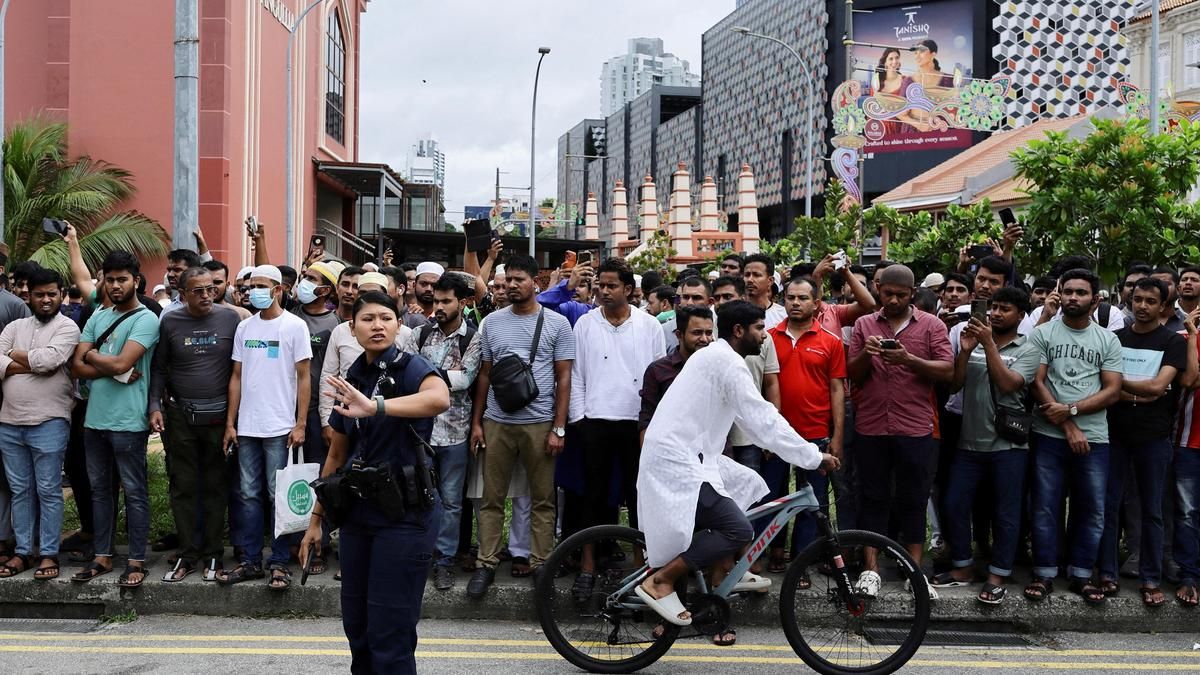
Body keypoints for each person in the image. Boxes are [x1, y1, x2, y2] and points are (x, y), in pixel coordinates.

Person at [635, 301, 838, 626]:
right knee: (738, 528)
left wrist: (799, 451)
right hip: (678, 463)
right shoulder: (726, 362)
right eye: (759, 328)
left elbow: (756, 420)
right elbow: (763, 419)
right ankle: (661, 580)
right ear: (739, 331)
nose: (765, 335)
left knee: (749, 488)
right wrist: (813, 456)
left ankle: (725, 572)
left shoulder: (718, 357)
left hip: (695, 458)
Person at [300, 291, 450, 674]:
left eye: (386, 318)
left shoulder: (410, 367)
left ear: (399, 325)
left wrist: (376, 407)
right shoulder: (353, 377)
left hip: (405, 517)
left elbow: (439, 399)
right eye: (368, 319)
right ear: (352, 328)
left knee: (390, 634)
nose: (377, 325)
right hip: (358, 515)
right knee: (359, 629)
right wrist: (316, 521)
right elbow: (336, 454)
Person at [467, 255, 574, 597]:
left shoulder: (557, 324)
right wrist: (478, 423)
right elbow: (485, 375)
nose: (512, 285)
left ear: (535, 283)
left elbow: (564, 378)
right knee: (491, 498)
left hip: (540, 423)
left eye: (519, 280)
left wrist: (559, 428)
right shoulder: (492, 323)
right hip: (497, 422)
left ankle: (541, 564)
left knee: (543, 499)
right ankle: (486, 564)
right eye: (508, 279)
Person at [847, 263, 952, 599]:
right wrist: (867, 354)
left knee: (914, 499)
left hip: (915, 427)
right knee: (872, 497)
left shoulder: (932, 325)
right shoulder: (864, 324)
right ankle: (871, 570)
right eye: (887, 293)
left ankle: (914, 571)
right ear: (878, 290)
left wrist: (909, 360)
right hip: (872, 425)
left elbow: (947, 371)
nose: (893, 300)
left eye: (900, 295)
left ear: (913, 294)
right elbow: (852, 374)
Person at [933, 287, 1038, 604]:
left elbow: (1008, 384)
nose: (996, 314)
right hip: (969, 444)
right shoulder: (975, 343)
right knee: (953, 504)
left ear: (1021, 315)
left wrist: (989, 343)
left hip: (1008, 447)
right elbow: (954, 385)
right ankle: (963, 567)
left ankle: (997, 575)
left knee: (1005, 513)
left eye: (1005, 309)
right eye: (994, 308)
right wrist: (966, 351)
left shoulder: (1028, 349)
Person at [1025, 268, 1123, 605]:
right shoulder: (1043, 333)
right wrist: (1068, 425)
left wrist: (1071, 411)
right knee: (1045, 506)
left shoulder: (1107, 340)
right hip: (1048, 435)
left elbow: (1112, 390)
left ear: (1095, 300)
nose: (1072, 298)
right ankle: (1044, 573)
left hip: (1094, 437)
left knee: (1092, 508)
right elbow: (1036, 381)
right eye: (1068, 291)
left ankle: (1081, 574)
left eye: (1081, 293)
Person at [569, 258, 665, 594]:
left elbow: (657, 377)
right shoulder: (585, 324)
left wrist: (651, 424)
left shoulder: (648, 326)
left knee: (638, 496)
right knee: (591, 495)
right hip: (594, 421)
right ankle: (587, 566)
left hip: (636, 424)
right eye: (601, 285)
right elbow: (577, 375)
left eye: (611, 286)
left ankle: (641, 568)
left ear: (628, 289)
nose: (604, 291)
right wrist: (579, 419)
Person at [69, 250, 161, 587]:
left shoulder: (146, 319)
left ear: (136, 280)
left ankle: (136, 560)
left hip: (129, 421)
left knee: (134, 491)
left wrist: (95, 356)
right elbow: (76, 366)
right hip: (94, 421)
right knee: (99, 492)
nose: (116, 285)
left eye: (122, 279)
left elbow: (121, 362)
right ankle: (103, 556)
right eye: (110, 280)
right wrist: (113, 367)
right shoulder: (98, 315)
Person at [1097, 277, 1191, 606]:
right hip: (1113, 434)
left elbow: (1157, 387)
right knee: (1109, 507)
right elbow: (1110, 386)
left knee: (1153, 510)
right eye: (1138, 299)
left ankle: (1151, 578)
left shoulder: (1172, 342)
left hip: (1154, 437)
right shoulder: (1115, 339)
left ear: (1164, 306)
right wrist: (1134, 392)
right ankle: (1106, 573)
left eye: (1151, 301)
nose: (1142, 306)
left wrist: (1118, 387)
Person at [219, 264, 312, 590]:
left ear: (277, 290)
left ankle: (279, 562)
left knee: (277, 495)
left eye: (261, 285)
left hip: (280, 427)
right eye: (250, 286)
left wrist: (300, 423)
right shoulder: (245, 328)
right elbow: (236, 376)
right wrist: (230, 423)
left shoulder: (295, 326)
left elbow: (304, 377)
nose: (254, 291)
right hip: (247, 427)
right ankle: (250, 560)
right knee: (248, 494)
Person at [148, 266, 241, 582]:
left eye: (211, 288)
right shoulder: (171, 321)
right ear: (182, 294)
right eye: (198, 291)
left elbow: (239, 370)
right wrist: (154, 405)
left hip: (219, 418)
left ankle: (214, 554)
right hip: (180, 417)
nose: (206, 295)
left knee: (216, 485)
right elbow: (160, 368)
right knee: (183, 486)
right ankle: (188, 553)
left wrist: (232, 420)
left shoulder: (230, 319)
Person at [403, 274, 481, 591]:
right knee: (418, 497)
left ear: (462, 303)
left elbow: (465, 380)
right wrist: (443, 377)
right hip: (420, 433)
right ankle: (419, 555)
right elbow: (407, 374)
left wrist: (426, 376)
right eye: (436, 301)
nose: (439, 307)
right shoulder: (420, 334)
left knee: (451, 502)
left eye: (446, 301)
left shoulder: (472, 338)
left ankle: (444, 560)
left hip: (455, 432)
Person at [0, 268, 79, 579]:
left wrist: (13, 357)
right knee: (20, 491)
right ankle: (22, 552)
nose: (46, 300)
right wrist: (31, 361)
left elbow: (50, 361)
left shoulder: (67, 327)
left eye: (51, 294)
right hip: (9, 421)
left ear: (61, 295)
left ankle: (47, 554)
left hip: (50, 421)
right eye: (39, 294)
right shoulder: (14, 326)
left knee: (48, 490)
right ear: (28, 296)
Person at [768, 277, 846, 572]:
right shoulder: (768, 338)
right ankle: (774, 552)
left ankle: (801, 561)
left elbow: (837, 390)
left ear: (816, 304)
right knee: (772, 496)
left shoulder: (831, 341)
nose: (795, 303)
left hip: (815, 433)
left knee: (812, 501)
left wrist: (837, 436)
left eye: (802, 298)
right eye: (790, 297)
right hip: (777, 434)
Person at [0, 269, 30, 563]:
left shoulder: (13, 305)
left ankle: (11, 540)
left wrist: (15, 362)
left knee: (12, 479)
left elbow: (36, 356)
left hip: (10, 404)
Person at [661, 276, 711, 351]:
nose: (689, 303)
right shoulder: (663, 331)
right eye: (685, 297)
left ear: (710, 302)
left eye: (696, 298)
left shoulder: (719, 329)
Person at [743, 254, 786, 326]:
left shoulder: (783, 316)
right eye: (747, 275)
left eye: (756, 275)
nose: (750, 280)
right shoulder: (733, 314)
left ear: (770, 281)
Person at [160, 248, 203, 314]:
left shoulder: (208, 305)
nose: (170, 274)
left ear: (193, 271)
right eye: (169, 270)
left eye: (177, 270)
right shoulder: (168, 311)